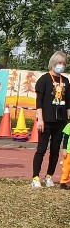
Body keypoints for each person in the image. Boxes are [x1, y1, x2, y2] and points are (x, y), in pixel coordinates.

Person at [31, 51, 70, 189]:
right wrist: (40, 119)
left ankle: (49, 176)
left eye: (64, 63)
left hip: (61, 121)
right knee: (41, 149)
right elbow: (39, 102)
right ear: (53, 63)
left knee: (55, 150)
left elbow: (68, 102)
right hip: (46, 120)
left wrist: (68, 119)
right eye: (59, 63)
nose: (61, 65)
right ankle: (35, 177)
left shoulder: (65, 81)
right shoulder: (44, 79)